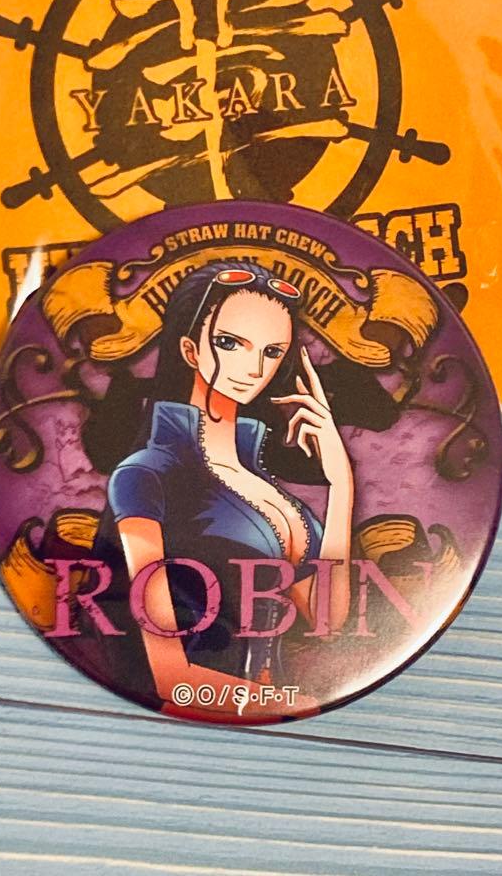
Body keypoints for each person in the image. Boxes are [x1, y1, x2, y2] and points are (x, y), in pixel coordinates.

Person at [104, 260, 353, 718]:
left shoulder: (263, 486)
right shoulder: (146, 476)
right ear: (189, 349)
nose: (254, 368)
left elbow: (328, 619)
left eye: (272, 352)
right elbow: (171, 678)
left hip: (272, 712)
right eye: (229, 343)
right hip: (216, 721)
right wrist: (294, 708)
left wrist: (341, 480)